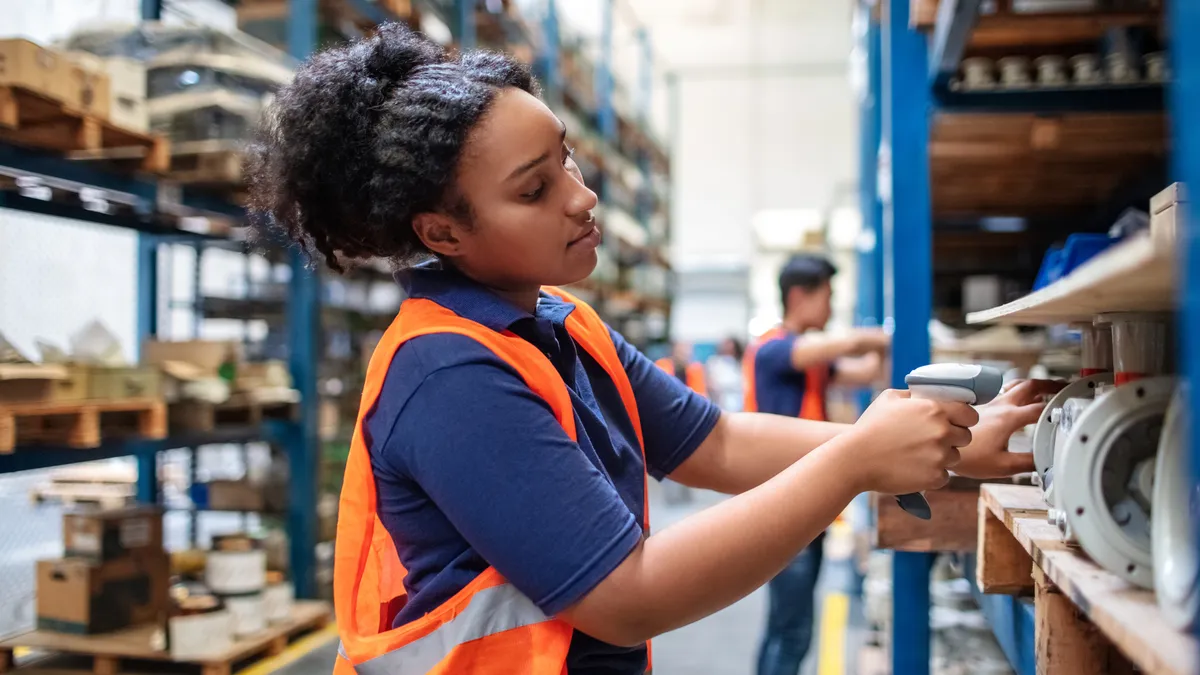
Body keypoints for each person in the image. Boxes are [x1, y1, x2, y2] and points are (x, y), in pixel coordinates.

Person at [247, 25, 1058, 675]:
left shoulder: (561, 323)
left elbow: (719, 441)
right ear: (443, 232)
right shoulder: (448, 374)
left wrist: (950, 449)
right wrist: (854, 465)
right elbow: (624, 595)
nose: (581, 196)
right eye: (534, 189)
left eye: (565, 157)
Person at [746, 253, 891, 675]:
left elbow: (862, 371)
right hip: (781, 506)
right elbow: (845, 345)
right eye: (827, 296)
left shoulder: (812, 360)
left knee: (786, 626)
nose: (830, 307)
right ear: (798, 297)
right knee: (792, 631)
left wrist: (883, 353)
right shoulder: (771, 350)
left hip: (806, 501)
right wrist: (883, 335)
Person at [706, 336, 745, 412]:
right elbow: (711, 383)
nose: (728, 348)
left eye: (730, 345)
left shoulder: (741, 363)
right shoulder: (714, 362)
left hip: (739, 403)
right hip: (720, 403)